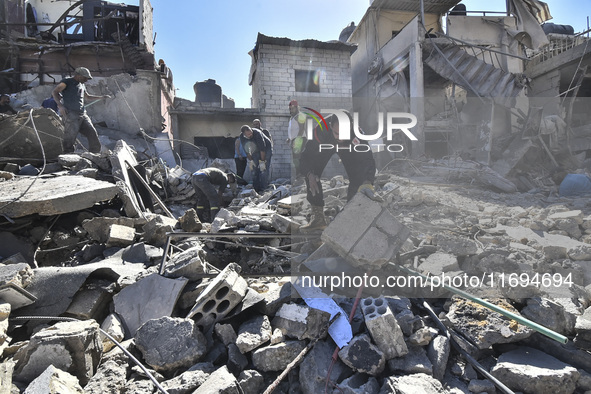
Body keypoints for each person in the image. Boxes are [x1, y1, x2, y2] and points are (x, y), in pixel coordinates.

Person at [299, 112, 378, 232]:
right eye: (337, 133)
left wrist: (367, 182)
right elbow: (305, 157)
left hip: (348, 148)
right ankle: (318, 218)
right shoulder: (320, 131)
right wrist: (309, 175)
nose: (340, 137)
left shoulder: (357, 134)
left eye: (343, 134)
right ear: (330, 126)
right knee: (312, 172)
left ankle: (351, 215)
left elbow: (367, 159)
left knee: (358, 175)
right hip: (325, 145)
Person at [51, 67, 111, 153]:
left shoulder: (82, 85)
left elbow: (87, 97)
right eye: (85, 77)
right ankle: (67, 156)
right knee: (70, 136)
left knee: (92, 133)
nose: (87, 80)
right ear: (78, 75)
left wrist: (102, 97)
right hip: (71, 114)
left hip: (82, 114)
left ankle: (95, 154)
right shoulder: (67, 82)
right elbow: (55, 92)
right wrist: (60, 106)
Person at [240, 125, 272, 192]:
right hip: (255, 150)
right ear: (244, 134)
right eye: (248, 134)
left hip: (266, 148)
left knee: (263, 170)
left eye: (251, 132)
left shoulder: (257, 133)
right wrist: (251, 161)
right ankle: (256, 188)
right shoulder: (242, 137)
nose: (250, 134)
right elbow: (247, 151)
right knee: (254, 169)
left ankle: (263, 188)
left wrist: (262, 162)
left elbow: (262, 149)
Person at [287, 100, 307, 175]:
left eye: (292, 108)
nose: (291, 110)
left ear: (297, 108)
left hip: (300, 139)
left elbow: (301, 129)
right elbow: (293, 130)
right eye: (289, 109)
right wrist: (289, 138)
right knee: (295, 159)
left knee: (298, 158)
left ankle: (301, 175)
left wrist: (297, 141)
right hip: (295, 140)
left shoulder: (300, 116)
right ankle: (299, 175)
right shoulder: (292, 118)